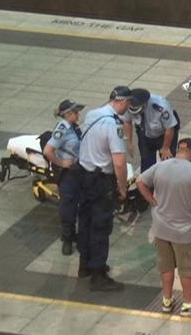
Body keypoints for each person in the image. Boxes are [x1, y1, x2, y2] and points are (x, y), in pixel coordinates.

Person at [137, 138, 191, 316]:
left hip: (161, 229)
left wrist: (151, 200)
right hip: (185, 233)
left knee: (166, 266)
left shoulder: (161, 166)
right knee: (187, 269)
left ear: (179, 149)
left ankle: (166, 301)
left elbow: (140, 181)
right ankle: (188, 305)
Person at [77, 85, 132, 292]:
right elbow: (119, 161)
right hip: (101, 181)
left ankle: (85, 265)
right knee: (101, 226)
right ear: (123, 101)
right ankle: (98, 275)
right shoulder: (113, 125)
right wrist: (122, 187)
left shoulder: (92, 114)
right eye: (128, 103)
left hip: (85, 175)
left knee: (85, 221)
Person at [43, 99, 85, 256]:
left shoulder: (74, 127)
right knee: (68, 205)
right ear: (67, 114)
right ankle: (67, 237)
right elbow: (48, 151)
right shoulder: (63, 128)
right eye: (75, 112)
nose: (78, 114)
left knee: (81, 202)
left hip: (78, 169)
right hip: (68, 173)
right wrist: (61, 163)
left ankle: (78, 234)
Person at [122, 88, 180, 172]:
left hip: (164, 134)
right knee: (146, 163)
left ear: (144, 105)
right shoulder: (128, 104)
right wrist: (129, 142)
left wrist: (165, 148)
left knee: (167, 162)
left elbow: (169, 128)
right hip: (144, 132)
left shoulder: (161, 107)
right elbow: (127, 122)